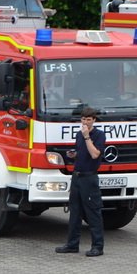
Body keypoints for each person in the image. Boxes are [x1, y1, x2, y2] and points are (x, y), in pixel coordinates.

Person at [56, 107, 107, 257]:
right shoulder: (79, 134)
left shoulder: (99, 135)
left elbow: (94, 154)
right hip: (77, 177)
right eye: (83, 119)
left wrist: (87, 137)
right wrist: (74, 154)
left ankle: (98, 246)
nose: (85, 122)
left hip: (89, 178)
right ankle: (72, 244)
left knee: (93, 212)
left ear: (94, 120)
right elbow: (83, 153)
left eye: (89, 119)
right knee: (75, 212)